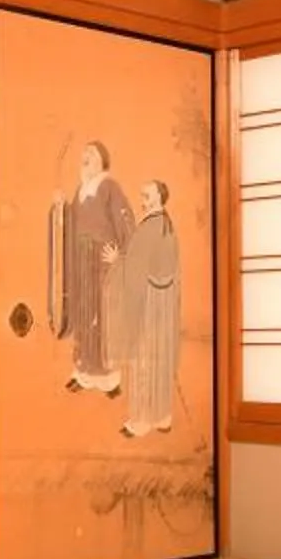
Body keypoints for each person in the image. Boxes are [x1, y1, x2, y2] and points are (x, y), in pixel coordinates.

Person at [64, 139, 132, 394]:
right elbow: (69, 222)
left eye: (90, 154)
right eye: (83, 154)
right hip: (82, 260)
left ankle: (109, 378)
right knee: (84, 313)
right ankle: (83, 372)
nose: (85, 157)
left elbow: (124, 221)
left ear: (103, 160)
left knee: (104, 317)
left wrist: (121, 255)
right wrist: (60, 207)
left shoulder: (109, 186)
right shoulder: (80, 190)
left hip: (103, 261)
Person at [121, 180, 180, 438]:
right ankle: (162, 416)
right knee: (160, 355)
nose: (142, 196)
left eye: (147, 193)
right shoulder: (164, 223)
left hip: (149, 299)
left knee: (145, 356)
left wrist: (116, 262)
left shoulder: (154, 225)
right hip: (162, 300)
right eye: (142, 192)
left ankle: (143, 419)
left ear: (158, 197)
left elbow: (137, 262)